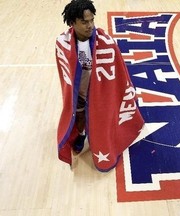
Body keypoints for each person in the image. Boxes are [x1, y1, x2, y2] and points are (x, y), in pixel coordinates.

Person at [55, 0, 144, 171]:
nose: (90, 25)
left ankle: (102, 141)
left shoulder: (107, 43)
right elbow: (64, 73)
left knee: (101, 120)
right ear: (73, 22)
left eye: (92, 20)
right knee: (79, 116)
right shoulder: (62, 42)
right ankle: (81, 135)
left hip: (99, 92)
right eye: (84, 22)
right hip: (78, 92)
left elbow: (119, 71)